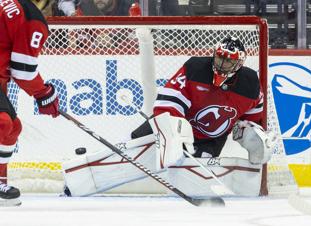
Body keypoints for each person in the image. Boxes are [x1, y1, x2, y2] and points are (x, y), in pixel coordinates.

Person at [61, 36, 275, 197]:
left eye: (228, 61)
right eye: (219, 57)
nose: (221, 64)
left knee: (192, 175)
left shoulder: (250, 86)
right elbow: (167, 103)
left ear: (239, 64)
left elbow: (250, 121)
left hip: (210, 140)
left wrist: (252, 136)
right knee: (127, 148)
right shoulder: (195, 68)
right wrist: (175, 135)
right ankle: (78, 177)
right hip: (173, 126)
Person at [0, 0, 60, 206]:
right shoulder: (30, 16)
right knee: (3, 123)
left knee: (12, 128)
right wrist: (44, 94)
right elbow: (23, 71)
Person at [55, 0, 133, 16]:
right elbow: (64, 2)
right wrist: (72, 14)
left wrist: (112, 39)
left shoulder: (128, 7)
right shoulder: (85, 5)